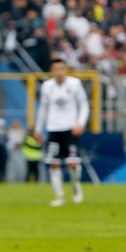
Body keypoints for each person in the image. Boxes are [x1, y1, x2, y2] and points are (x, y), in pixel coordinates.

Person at [34, 59, 89, 207]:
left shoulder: (75, 84)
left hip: (70, 128)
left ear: (66, 69)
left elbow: (84, 104)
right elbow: (43, 108)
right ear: (52, 71)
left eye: (61, 69)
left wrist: (80, 123)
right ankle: (59, 196)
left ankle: (76, 185)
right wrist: (38, 129)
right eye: (56, 69)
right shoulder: (47, 86)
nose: (59, 72)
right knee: (54, 163)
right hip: (53, 128)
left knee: (72, 162)